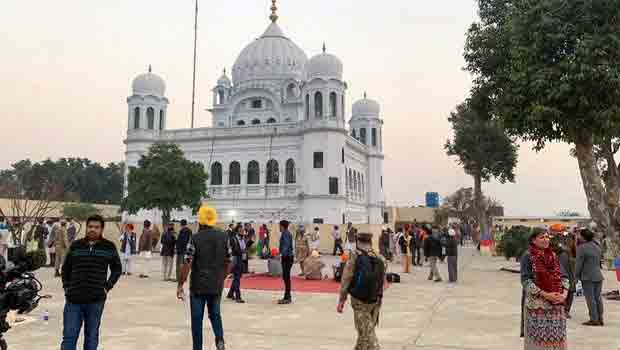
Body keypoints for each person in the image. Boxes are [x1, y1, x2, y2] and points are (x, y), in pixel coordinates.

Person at [61, 215, 122, 350]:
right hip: (73, 300)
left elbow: (117, 269)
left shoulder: (109, 247)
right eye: (90, 227)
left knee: (91, 337)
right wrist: (66, 287)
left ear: (101, 229)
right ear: (86, 228)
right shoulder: (76, 246)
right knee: (69, 337)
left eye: (96, 227)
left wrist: (107, 287)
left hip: (96, 300)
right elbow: (65, 268)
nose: (92, 230)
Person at [177, 206, 229, 350]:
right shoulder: (224, 237)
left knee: (197, 320)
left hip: (198, 287)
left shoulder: (195, 239)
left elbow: (187, 263)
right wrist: (221, 278)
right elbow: (228, 261)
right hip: (216, 285)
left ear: (200, 221)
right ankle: (220, 340)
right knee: (215, 315)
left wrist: (180, 284)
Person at [520, 229, 568, 350]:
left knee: (556, 341)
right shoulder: (528, 256)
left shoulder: (553, 255)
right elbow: (526, 281)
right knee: (538, 343)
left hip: (556, 306)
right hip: (537, 308)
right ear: (533, 240)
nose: (546, 239)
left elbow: (564, 277)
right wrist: (546, 295)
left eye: (547, 237)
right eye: (542, 237)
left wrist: (564, 294)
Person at [337, 232, 386, 350]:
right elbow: (382, 280)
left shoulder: (355, 256)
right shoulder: (379, 257)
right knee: (364, 331)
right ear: (370, 242)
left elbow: (346, 278)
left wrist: (341, 300)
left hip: (359, 300)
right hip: (375, 300)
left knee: (368, 334)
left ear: (358, 242)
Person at [575, 228, 605, 326]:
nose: (578, 237)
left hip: (587, 276)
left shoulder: (581, 248)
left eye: (580, 235)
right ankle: (600, 318)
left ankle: (594, 319)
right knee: (598, 298)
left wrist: (576, 276)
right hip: (598, 275)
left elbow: (579, 264)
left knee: (590, 298)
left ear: (583, 237)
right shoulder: (597, 246)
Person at [554, 241, 575, 318]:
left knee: (568, 293)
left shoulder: (563, 255)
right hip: (568, 276)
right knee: (569, 293)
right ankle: (565, 311)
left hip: (568, 277)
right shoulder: (564, 254)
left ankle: (565, 311)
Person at [226, 224, 246, 303]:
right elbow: (234, 250)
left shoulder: (242, 238)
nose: (242, 231)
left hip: (241, 259)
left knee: (237, 277)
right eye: (241, 229)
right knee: (237, 278)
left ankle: (230, 294)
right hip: (235, 259)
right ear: (237, 230)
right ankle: (238, 296)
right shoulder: (233, 239)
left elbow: (244, 248)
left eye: (243, 230)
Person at [278, 220, 294, 305]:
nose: (279, 228)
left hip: (287, 257)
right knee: (285, 277)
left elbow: (286, 246)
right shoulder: (286, 233)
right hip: (287, 257)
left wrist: (280, 254)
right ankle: (287, 296)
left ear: (282, 226)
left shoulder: (286, 234)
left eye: (279, 226)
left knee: (286, 277)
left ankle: (288, 297)